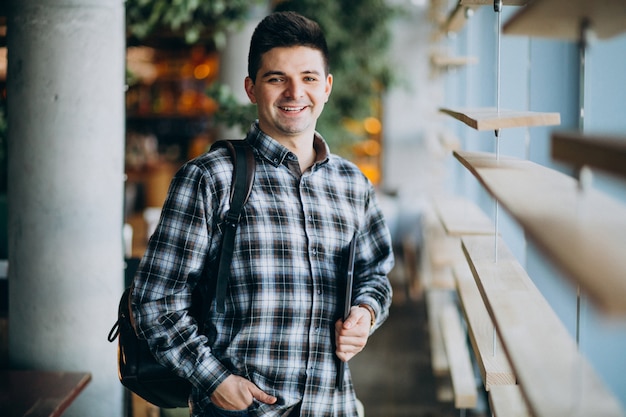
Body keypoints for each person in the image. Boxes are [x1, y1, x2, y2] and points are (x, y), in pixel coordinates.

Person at [131, 11, 394, 417]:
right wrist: (213, 379)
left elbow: (375, 273)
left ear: (326, 87)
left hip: (334, 406)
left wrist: (366, 311)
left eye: (308, 78)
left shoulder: (352, 184)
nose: (294, 92)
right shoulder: (211, 178)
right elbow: (153, 302)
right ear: (252, 89)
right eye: (276, 79)